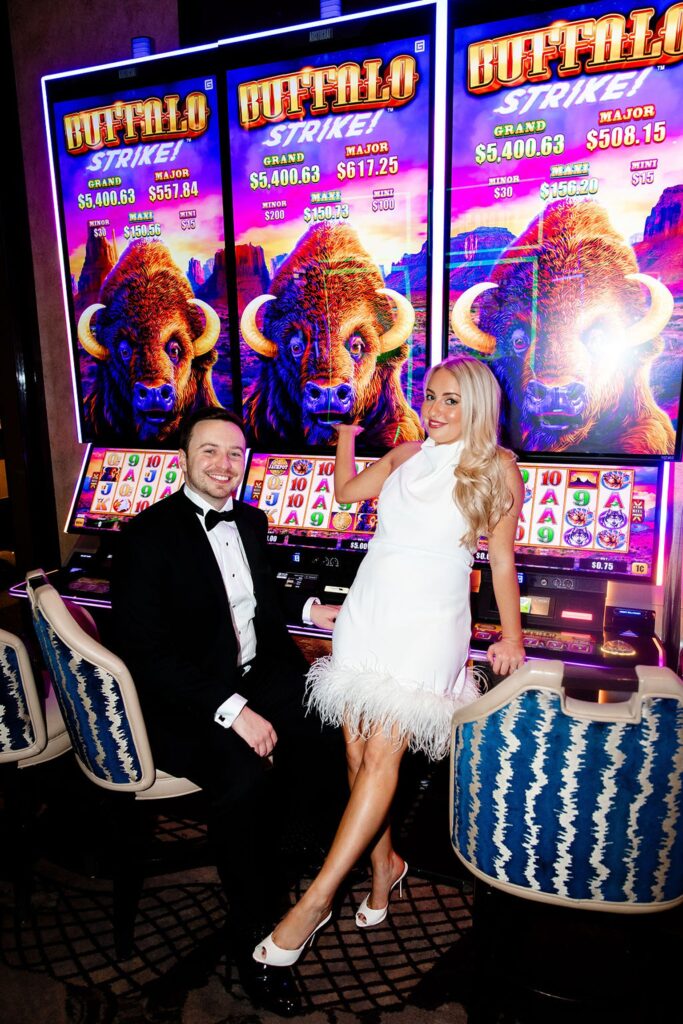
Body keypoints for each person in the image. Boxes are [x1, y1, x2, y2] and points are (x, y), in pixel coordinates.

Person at [253, 354, 525, 965]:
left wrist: (512, 636)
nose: (435, 409)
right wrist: (347, 440)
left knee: (381, 754)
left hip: (430, 620)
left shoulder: (498, 467)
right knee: (354, 752)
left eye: (452, 399)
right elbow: (347, 495)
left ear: (478, 404)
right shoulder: (405, 453)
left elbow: (502, 562)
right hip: (370, 608)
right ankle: (387, 864)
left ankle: (314, 901)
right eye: (430, 396)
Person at [110, 407, 342, 1017]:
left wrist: (314, 607)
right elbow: (146, 654)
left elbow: (261, 591)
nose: (223, 465)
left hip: (253, 676)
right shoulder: (145, 537)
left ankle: (290, 856)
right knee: (241, 779)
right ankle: (254, 937)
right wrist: (230, 708)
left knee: (328, 720)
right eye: (209, 452)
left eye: (235, 454)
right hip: (182, 701)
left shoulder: (253, 520)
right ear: (183, 459)